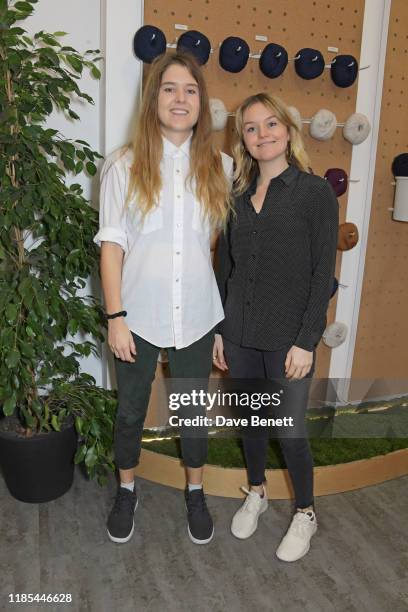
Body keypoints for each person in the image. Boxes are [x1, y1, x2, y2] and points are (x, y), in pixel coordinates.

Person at [94, 51, 232, 545]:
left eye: (190, 90)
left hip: (196, 316)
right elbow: (112, 248)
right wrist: (115, 317)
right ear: (154, 98)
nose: (180, 98)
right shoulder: (123, 165)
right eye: (170, 88)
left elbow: (220, 251)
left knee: (193, 413)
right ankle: (127, 490)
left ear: (202, 102)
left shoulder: (222, 166)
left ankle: (195, 492)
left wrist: (220, 324)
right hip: (138, 317)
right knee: (130, 411)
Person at [213, 92, 339, 561]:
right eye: (251, 127)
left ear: (288, 130)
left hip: (289, 342)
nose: (262, 134)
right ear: (243, 139)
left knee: (288, 432)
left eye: (270, 124)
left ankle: (305, 512)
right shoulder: (237, 198)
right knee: (250, 424)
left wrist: (307, 341)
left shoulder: (314, 192)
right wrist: (221, 331)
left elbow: (322, 274)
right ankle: (258, 492)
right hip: (241, 335)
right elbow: (225, 269)